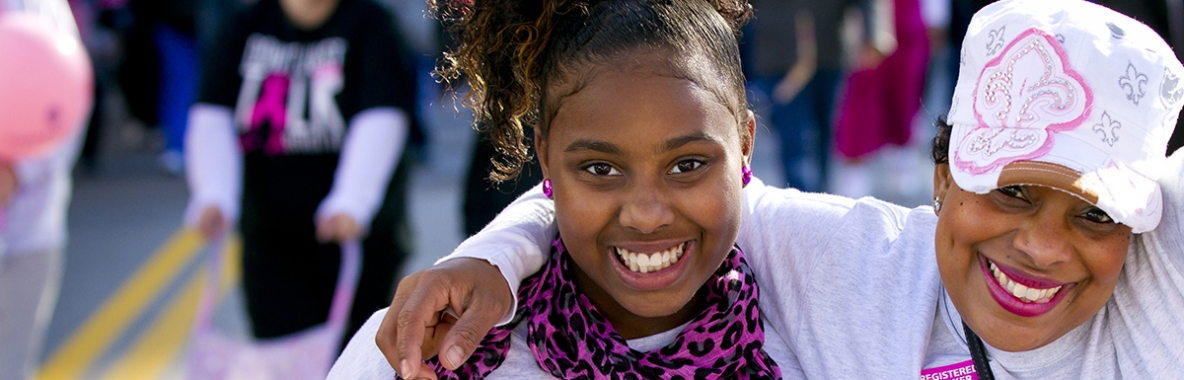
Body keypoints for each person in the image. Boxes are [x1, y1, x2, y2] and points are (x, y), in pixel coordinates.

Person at [377, 0, 1184, 378]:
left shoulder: (1161, 293)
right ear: (941, 175)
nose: (1042, 246)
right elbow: (648, 194)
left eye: (1095, 212)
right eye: (1009, 193)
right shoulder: (853, 264)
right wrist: (495, 257)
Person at [328, 0, 803, 378]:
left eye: (688, 164)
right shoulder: (424, 349)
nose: (646, 213)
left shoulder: (825, 326)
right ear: (545, 157)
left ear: (745, 144)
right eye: (600, 168)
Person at [184, 0, 418, 347]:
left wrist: (352, 201)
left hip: (359, 245)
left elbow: (382, 118)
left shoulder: (372, 25)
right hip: (271, 243)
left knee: (359, 359)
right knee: (284, 358)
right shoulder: (244, 25)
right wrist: (215, 194)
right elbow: (213, 114)